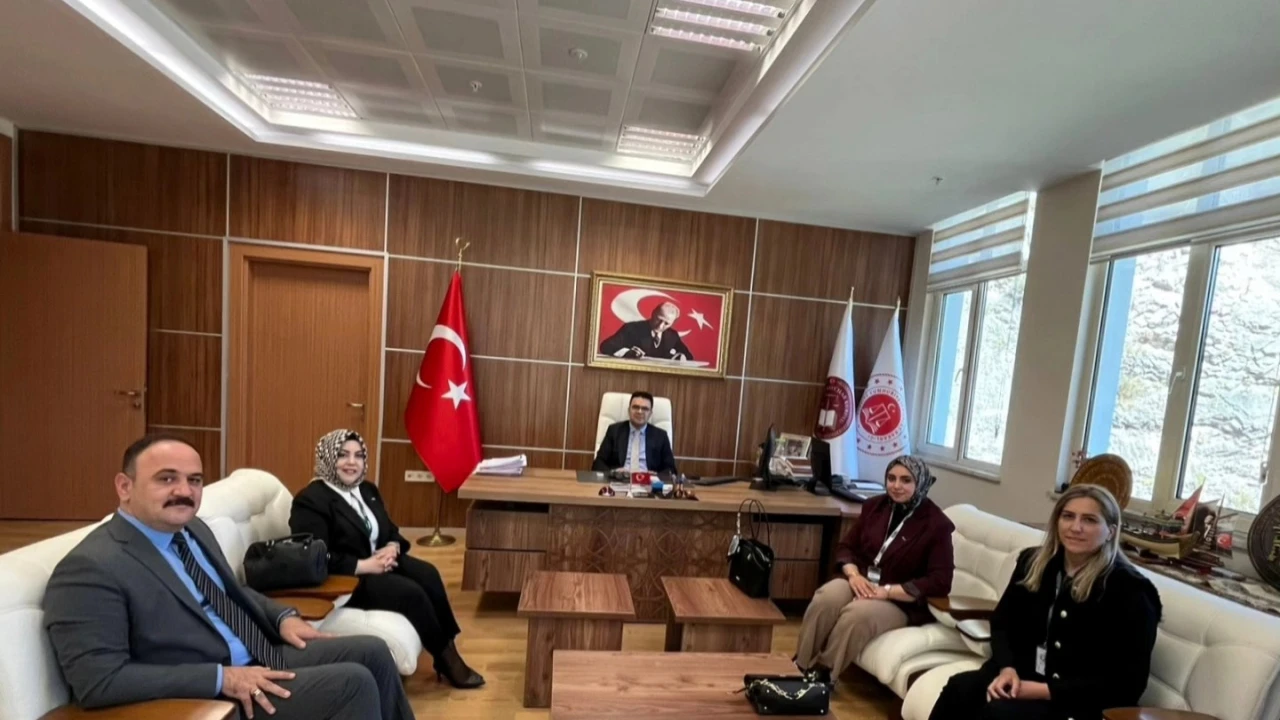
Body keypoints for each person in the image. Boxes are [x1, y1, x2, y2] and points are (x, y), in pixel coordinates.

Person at [43, 434, 414, 720]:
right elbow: (99, 681)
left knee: (373, 651)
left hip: (258, 652)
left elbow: (231, 592)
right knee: (353, 684)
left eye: (194, 480)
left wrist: (282, 617)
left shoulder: (193, 530)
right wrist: (222, 678)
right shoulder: (90, 568)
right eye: (166, 479)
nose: (184, 492)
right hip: (209, 693)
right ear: (125, 487)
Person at [928, 484, 1162, 720]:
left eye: (1089, 520)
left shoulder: (1131, 590)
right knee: (960, 688)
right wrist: (1007, 668)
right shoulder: (1033, 563)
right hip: (1022, 676)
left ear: (1110, 531)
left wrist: (1043, 691)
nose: (1075, 527)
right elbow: (1002, 623)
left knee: (1000, 714)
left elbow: (1127, 683)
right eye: (1068, 516)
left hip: (1079, 701)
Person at [290, 429, 483, 689]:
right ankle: (447, 659)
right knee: (411, 593)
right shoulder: (311, 500)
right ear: (327, 457)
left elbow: (389, 529)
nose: (352, 462)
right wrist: (365, 566)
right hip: (345, 577)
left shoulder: (366, 489)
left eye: (358, 456)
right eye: (343, 455)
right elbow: (315, 556)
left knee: (428, 574)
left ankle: (446, 646)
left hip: (380, 560)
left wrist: (392, 546)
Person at [795, 456, 954, 684]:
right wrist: (853, 575)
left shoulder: (937, 524)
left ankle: (822, 675)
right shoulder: (874, 506)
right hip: (861, 580)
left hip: (899, 600)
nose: (896, 486)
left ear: (920, 483)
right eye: (891, 478)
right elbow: (846, 547)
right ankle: (799, 665)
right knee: (826, 597)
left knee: (856, 615)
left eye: (906, 480)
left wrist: (888, 592)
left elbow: (940, 580)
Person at [591, 391, 678, 475]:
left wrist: (656, 476)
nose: (640, 411)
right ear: (629, 410)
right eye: (636, 407)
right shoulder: (614, 431)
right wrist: (613, 473)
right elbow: (598, 463)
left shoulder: (661, 436)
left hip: (649, 482)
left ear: (650, 413)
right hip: (619, 480)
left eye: (645, 409)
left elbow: (671, 469)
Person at [599, 301, 694, 361]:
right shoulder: (631, 328)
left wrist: (681, 357)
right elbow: (606, 346)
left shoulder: (672, 335)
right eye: (659, 319)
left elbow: (689, 357)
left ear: (672, 323)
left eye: (666, 323)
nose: (660, 326)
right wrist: (627, 352)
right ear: (653, 313)